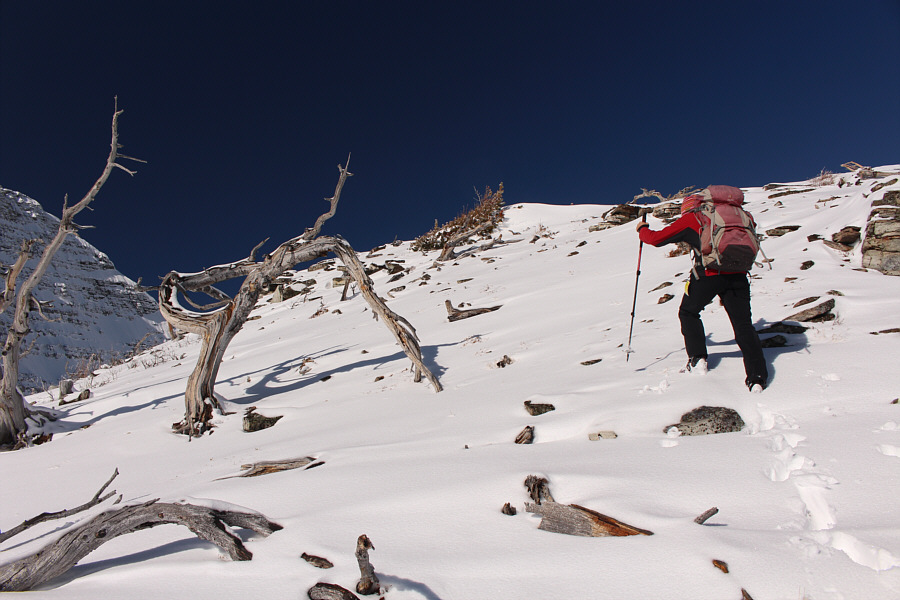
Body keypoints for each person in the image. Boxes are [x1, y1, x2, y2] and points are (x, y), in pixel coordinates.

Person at [635, 190, 769, 392]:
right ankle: (757, 377)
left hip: (709, 275)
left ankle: (698, 360)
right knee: (743, 325)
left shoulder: (693, 217)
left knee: (688, 312)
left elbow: (656, 239)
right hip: (739, 275)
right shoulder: (742, 216)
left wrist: (642, 229)